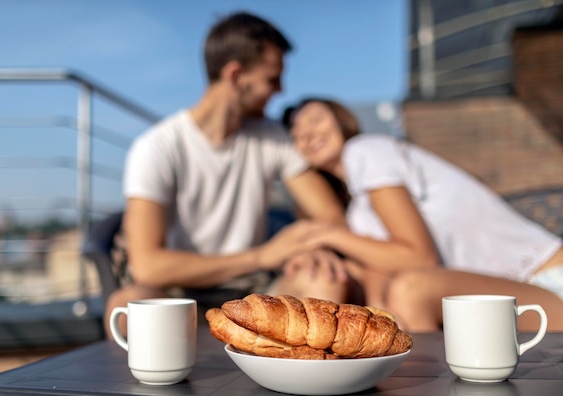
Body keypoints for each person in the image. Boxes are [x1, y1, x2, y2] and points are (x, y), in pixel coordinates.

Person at [108, 13, 355, 337]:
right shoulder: (158, 147)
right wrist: (262, 255)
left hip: (256, 294)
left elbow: (330, 217)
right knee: (127, 308)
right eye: (272, 79)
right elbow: (148, 266)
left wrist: (314, 246)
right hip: (179, 294)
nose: (281, 90)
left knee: (323, 276)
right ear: (235, 75)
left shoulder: (272, 138)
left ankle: (304, 384)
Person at [282, 97, 563, 332]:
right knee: (398, 300)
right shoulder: (358, 210)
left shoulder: (365, 150)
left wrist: (326, 234)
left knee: (411, 291)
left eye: (316, 120)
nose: (306, 133)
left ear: (342, 121)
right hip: (504, 296)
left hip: (549, 280)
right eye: (296, 133)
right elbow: (379, 266)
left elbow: (419, 258)